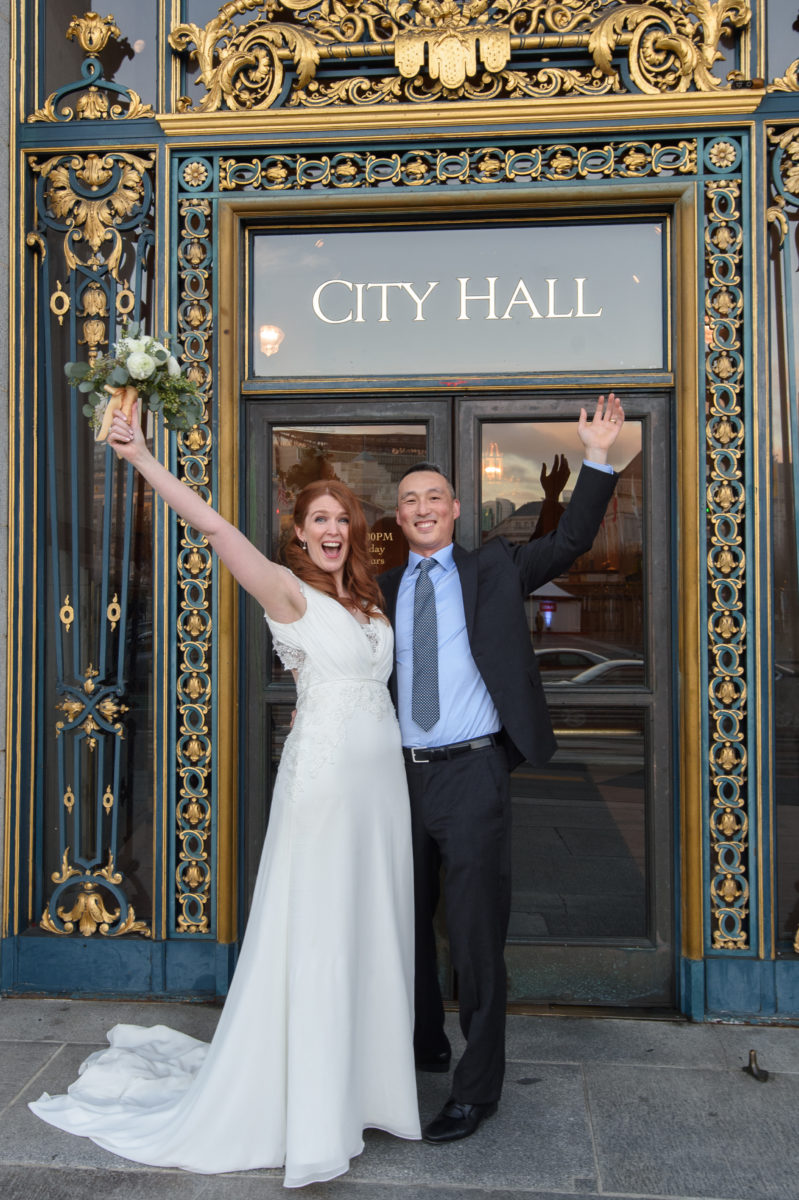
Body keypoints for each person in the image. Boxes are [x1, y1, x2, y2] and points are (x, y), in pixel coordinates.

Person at [29, 403, 421, 1187]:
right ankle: (308, 1104)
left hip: (380, 796)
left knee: (371, 929)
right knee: (318, 935)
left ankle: (363, 1089)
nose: (331, 529)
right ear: (299, 532)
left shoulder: (373, 603)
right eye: (318, 519)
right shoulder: (285, 591)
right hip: (322, 792)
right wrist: (140, 457)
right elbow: (214, 529)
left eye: (341, 517)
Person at [378, 394, 625, 1145]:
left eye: (432, 498)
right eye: (408, 501)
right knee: (402, 928)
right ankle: (421, 1047)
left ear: (455, 509)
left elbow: (575, 537)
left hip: (472, 775)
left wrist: (595, 458)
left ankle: (475, 1091)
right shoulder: (380, 589)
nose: (421, 509)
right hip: (394, 778)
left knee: (477, 939)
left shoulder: (496, 566)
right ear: (398, 519)